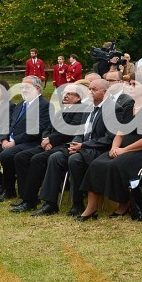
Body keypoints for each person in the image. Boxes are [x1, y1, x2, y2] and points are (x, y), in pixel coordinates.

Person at [34, 77, 133, 216]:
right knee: (55, 157)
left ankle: (78, 203)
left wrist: (83, 145)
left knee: (75, 160)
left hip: (99, 150)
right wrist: (75, 143)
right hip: (82, 147)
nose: (90, 92)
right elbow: (79, 131)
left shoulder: (114, 109)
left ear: (105, 92)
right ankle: (50, 203)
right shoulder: (88, 108)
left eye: (94, 89)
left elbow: (110, 138)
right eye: (90, 89)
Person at [78, 75, 142, 220]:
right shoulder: (129, 108)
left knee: (116, 165)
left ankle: (124, 204)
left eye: (134, 84)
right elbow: (119, 133)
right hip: (122, 149)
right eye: (129, 84)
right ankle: (91, 208)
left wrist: (124, 150)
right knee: (96, 164)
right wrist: (114, 147)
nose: (130, 87)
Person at [11, 84, 86, 213]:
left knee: (37, 159)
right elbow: (48, 128)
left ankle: (41, 202)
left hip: (64, 146)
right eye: (64, 93)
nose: (65, 96)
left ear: (78, 98)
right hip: (49, 144)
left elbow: (71, 130)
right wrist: (45, 140)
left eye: (69, 94)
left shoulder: (81, 110)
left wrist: (51, 140)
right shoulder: (62, 109)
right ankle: (27, 197)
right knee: (21, 157)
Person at [0, 76, 52, 202]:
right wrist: (3, 139)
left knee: (6, 155)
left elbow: (37, 129)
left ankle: (11, 191)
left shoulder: (45, 105)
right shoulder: (21, 105)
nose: (23, 90)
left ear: (38, 88)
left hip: (30, 143)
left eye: (26, 87)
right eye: (21, 87)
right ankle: (4, 185)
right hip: (9, 142)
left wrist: (14, 142)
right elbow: (7, 124)